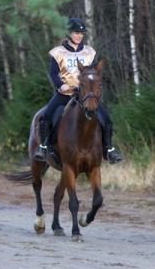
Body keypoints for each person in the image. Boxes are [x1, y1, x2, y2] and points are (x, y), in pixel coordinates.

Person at [33, 17, 122, 164]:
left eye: (81, 33)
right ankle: (43, 147)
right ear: (68, 33)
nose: (79, 36)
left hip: (85, 95)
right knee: (47, 115)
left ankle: (109, 149)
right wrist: (60, 85)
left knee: (106, 118)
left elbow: (93, 72)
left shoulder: (89, 52)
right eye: (76, 33)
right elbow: (53, 73)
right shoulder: (58, 52)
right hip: (65, 94)